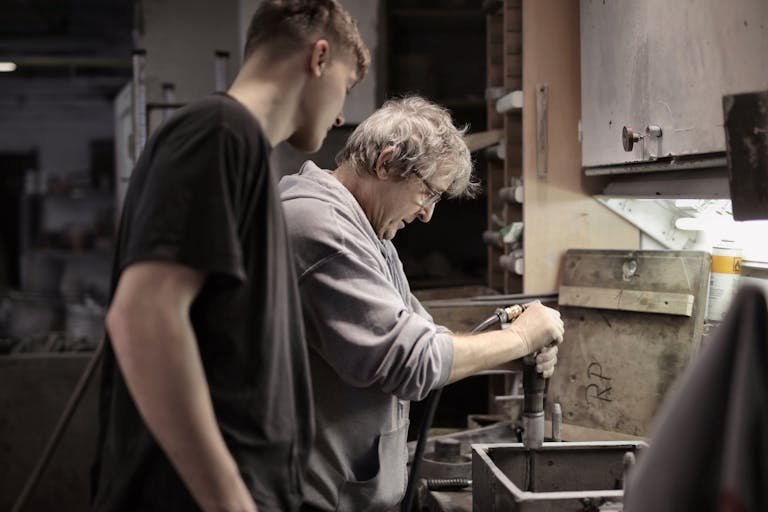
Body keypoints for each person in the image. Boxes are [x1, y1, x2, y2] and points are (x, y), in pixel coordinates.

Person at [91, 2, 370, 511]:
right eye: (346, 87)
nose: (343, 114)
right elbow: (144, 316)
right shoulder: (219, 132)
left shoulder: (238, 148)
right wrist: (229, 501)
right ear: (319, 57)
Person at [279, 96, 565, 511]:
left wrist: (516, 348)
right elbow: (411, 360)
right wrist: (521, 337)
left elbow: (427, 339)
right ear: (387, 163)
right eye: (427, 193)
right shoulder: (323, 231)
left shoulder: (368, 230)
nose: (428, 214)